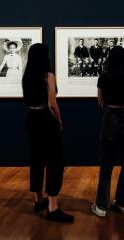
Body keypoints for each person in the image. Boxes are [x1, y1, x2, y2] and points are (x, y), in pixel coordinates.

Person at [22, 43, 74, 223]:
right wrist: (59, 120)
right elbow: (52, 103)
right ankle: (53, 208)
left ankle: (38, 199)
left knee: (36, 159)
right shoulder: (48, 76)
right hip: (46, 119)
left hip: (32, 118)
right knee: (54, 161)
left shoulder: (27, 76)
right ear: (45, 57)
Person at [91, 46, 124, 218]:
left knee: (106, 162)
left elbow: (100, 101)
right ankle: (123, 204)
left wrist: (110, 107)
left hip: (110, 117)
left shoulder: (104, 77)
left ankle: (101, 206)